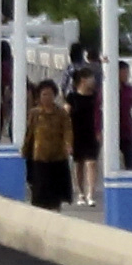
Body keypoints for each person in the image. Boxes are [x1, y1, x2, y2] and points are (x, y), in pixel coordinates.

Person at [24, 80, 74, 210]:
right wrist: (25, 150)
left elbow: (67, 130)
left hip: (57, 156)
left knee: (56, 188)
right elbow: (29, 133)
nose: (47, 97)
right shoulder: (35, 113)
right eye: (44, 94)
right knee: (40, 188)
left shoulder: (61, 113)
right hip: (39, 156)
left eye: (50, 94)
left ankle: (55, 209)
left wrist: (68, 144)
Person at [66, 64, 103, 212]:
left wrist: (99, 130)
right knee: (78, 164)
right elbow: (66, 116)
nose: (93, 81)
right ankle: (80, 192)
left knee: (92, 163)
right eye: (91, 79)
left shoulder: (96, 97)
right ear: (83, 80)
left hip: (92, 133)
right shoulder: (72, 97)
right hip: (76, 133)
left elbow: (100, 114)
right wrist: (66, 138)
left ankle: (90, 194)